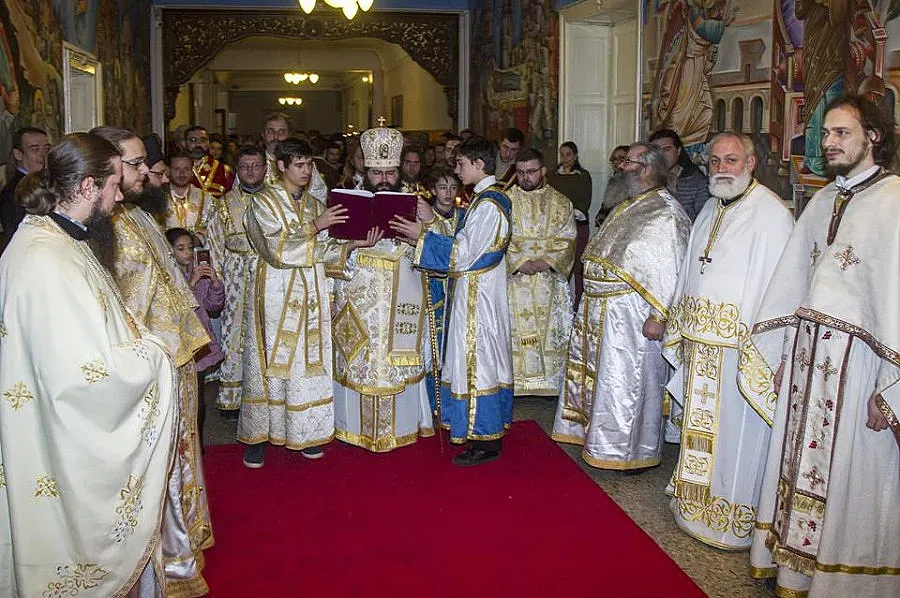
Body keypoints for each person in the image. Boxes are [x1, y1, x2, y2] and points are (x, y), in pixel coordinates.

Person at [0, 132, 178, 596]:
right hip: (57, 437)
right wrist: (155, 354)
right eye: (114, 186)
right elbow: (83, 377)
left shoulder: (61, 238)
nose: (119, 197)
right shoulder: (45, 260)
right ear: (85, 187)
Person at [741, 95, 900, 597]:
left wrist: (892, 391)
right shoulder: (824, 199)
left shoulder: (895, 202)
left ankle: (847, 583)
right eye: (826, 134)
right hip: (810, 365)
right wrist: (782, 355)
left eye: (841, 133)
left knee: (854, 481)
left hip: (860, 375)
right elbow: (794, 288)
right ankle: (795, 569)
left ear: (873, 136)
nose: (828, 143)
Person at [92, 125, 213, 597]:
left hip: (175, 358)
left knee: (179, 459)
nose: (150, 173)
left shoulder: (136, 214)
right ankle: (158, 563)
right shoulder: (100, 227)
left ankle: (178, 552)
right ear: (107, 168)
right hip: (146, 368)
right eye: (137, 164)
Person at [662, 132, 793, 549]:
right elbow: (690, 273)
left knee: (736, 438)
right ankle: (694, 506)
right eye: (716, 160)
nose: (722, 168)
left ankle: (733, 520)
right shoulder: (710, 209)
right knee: (701, 434)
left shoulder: (772, 215)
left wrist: (767, 353)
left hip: (740, 353)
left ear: (751, 163)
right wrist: (679, 326)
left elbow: (781, 293)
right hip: (701, 349)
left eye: (731, 160)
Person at [552, 143, 690, 470]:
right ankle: (596, 438)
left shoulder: (666, 212)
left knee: (626, 384)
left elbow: (671, 268)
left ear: (645, 168)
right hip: (601, 312)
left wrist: (660, 316)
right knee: (602, 382)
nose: (620, 166)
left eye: (627, 161)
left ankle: (629, 452)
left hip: (631, 317)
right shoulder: (628, 205)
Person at [392, 135, 514, 467]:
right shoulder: (483, 199)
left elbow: (462, 254)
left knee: (478, 366)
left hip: (480, 301)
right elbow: (464, 242)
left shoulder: (489, 204)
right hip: (475, 293)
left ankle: (485, 440)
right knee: (473, 364)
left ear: (478, 164)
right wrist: (430, 224)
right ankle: (479, 433)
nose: (457, 170)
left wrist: (421, 236)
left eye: (460, 164)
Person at [239, 138, 346, 467]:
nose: (306, 171)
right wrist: (316, 227)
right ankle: (258, 437)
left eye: (309, 164)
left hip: (311, 293)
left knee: (306, 364)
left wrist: (351, 245)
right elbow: (276, 251)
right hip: (276, 293)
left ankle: (305, 432)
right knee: (269, 363)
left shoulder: (316, 204)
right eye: (299, 165)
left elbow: (325, 251)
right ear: (281, 166)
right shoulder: (262, 203)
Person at [327, 126, 434, 452]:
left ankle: (401, 429)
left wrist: (426, 228)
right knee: (359, 361)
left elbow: (443, 250)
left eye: (390, 172)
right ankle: (353, 431)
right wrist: (356, 243)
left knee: (397, 362)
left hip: (403, 295)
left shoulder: (418, 202)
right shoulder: (345, 201)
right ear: (365, 170)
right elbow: (324, 252)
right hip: (358, 299)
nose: (384, 178)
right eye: (377, 172)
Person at [506, 148, 575, 397]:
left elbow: (568, 238)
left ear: (543, 171)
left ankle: (549, 382)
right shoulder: (504, 201)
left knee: (549, 330)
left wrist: (546, 261)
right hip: (516, 279)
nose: (526, 177)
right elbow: (497, 237)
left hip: (548, 281)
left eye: (531, 172)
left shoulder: (560, 202)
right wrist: (518, 261)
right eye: (521, 172)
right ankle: (517, 382)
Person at [207, 144, 265, 417]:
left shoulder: (277, 200)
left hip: (269, 273)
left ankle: (266, 396)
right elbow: (216, 243)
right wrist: (216, 279)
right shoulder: (224, 203)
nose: (250, 171)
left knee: (267, 335)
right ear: (237, 171)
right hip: (235, 274)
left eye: (256, 166)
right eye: (245, 167)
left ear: (265, 168)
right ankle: (233, 396)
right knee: (235, 336)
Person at [167, 227, 225, 450]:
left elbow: (213, 306)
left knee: (199, 401)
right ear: (170, 251)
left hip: (199, 345)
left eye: (190, 248)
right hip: (178, 343)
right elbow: (174, 307)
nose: (188, 253)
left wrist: (214, 282)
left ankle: (198, 446)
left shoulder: (197, 271)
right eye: (181, 248)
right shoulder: (168, 275)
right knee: (179, 399)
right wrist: (190, 282)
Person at [547, 140, 593, 305]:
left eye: (568, 155)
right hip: (556, 226)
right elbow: (549, 199)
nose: (565, 158)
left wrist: (571, 214)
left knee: (577, 265)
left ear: (575, 156)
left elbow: (584, 200)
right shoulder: (552, 176)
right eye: (562, 154)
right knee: (558, 263)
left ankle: (578, 302)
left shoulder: (583, 175)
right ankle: (558, 301)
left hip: (577, 224)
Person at [0, 127, 49, 250]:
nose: (43, 155)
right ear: (18, 154)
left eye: (46, 148)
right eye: (35, 149)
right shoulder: (15, 191)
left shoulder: (46, 182)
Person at [650, 128, 709, 221]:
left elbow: (704, 219)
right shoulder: (645, 180)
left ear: (678, 151)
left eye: (666, 149)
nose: (661, 155)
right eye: (656, 151)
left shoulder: (696, 180)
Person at [165, 152, 213, 236]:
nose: (181, 173)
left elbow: (214, 228)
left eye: (186, 169)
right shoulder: (158, 198)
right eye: (177, 169)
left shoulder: (206, 199)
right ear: (168, 171)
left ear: (192, 172)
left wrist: (198, 239)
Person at [185, 124, 235, 199]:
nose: (198, 144)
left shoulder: (223, 170)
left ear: (208, 143)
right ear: (185, 143)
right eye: (193, 140)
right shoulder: (175, 170)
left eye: (203, 140)